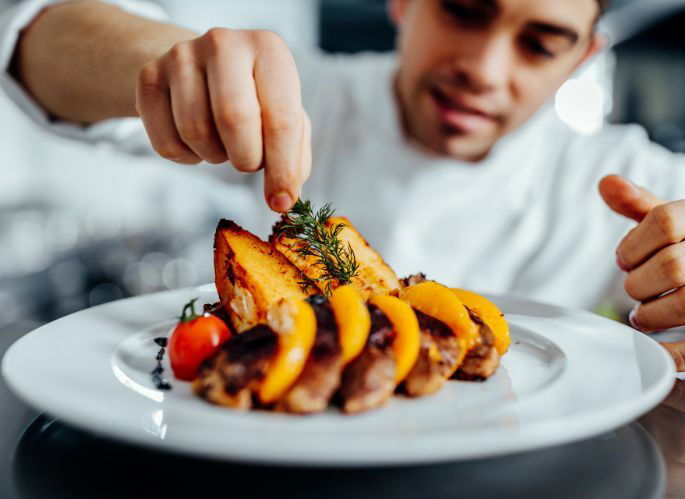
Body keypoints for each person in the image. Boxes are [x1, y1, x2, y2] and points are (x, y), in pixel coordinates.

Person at [2, 0, 685, 367]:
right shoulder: (309, 95)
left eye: (538, 44)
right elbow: (33, 40)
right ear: (403, 3)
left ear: (582, 59)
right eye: (462, 10)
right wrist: (160, 61)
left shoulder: (628, 175)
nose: (482, 67)